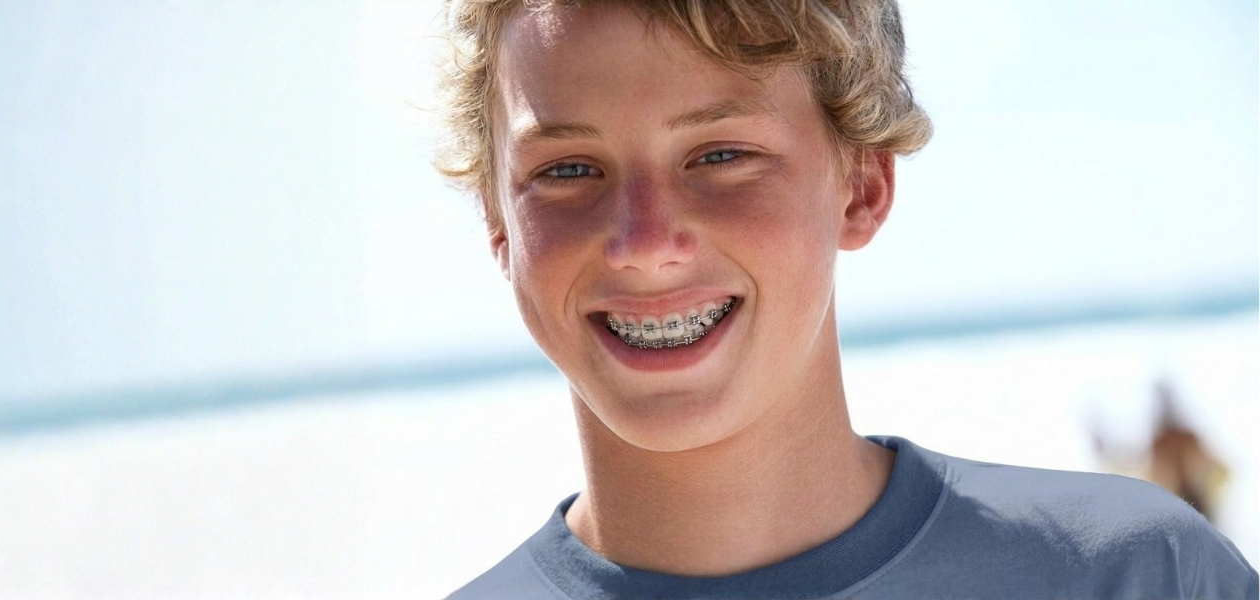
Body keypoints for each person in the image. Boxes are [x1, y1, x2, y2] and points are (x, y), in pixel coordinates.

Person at [431, 1, 1258, 598]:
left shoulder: (1135, 575)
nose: (645, 242)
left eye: (720, 155)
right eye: (568, 170)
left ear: (862, 185)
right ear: (496, 220)